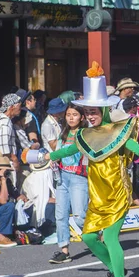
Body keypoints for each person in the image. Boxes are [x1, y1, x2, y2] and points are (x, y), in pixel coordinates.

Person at [44, 66, 139, 277]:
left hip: (117, 194)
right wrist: (45, 155)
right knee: (88, 237)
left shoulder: (118, 132)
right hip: (97, 197)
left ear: (104, 111)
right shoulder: (84, 135)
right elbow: (68, 149)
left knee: (110, 237)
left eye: (95, 111)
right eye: (87, 111)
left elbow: (137, 148)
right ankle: (114, 269)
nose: (90, 115)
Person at [50, 103, 89, 264]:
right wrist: (54, 161)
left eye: (74, 114)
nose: (71, 118)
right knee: (60, 215)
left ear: (82, 117)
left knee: (80, 215)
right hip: (62, 177)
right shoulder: (63, 134)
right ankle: (64, 250)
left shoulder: (85, 134)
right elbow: (58, 153)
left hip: (79, 177)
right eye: (68, 115)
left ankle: (98, 236)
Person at [0, 93, 22, 186]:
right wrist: (15, 159)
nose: (20, 109)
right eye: (19, 106)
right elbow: (3, 146)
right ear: (12, 107)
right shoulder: (5, 122)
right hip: (7, 164)